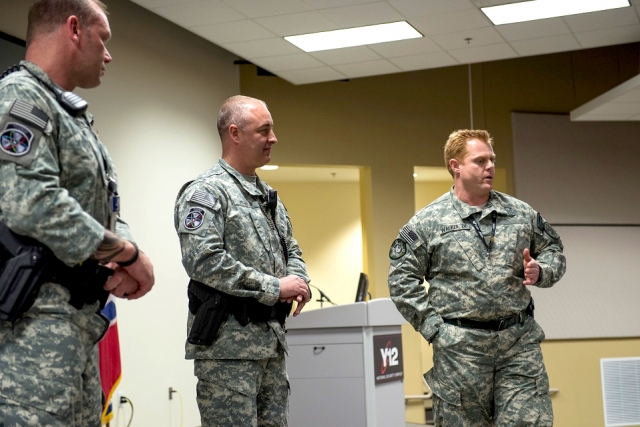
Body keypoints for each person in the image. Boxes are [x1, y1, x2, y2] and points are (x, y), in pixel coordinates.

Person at [0, 1, 155, 426]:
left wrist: (125, 250)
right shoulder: (22, 98)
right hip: (32, 335)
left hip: (78, 327)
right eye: (102, 40)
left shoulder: (72, 116)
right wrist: (125, 254)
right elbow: (32, 202)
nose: (108, 55)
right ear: (73, 28)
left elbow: (105, 207)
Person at [388, 129, 566, 427]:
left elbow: (553, 250)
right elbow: (402, 280)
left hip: (517, 344)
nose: (490, 167)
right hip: (460, 350)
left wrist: (542, 270)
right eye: (480, 160)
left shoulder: (520, 213)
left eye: (492, 160)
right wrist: (436, 331)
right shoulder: (428, 222)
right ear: (455, 166)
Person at [174, 95, 311, 427]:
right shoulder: (207, 192)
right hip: (228, 352)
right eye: (264, 130)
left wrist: (298, 279)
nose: (273, 138)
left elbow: (292, 249)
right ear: (235, 133)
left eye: (272, 130)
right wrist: (275, 287)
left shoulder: (268, 196)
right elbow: (204, 260)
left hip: (270, 344)